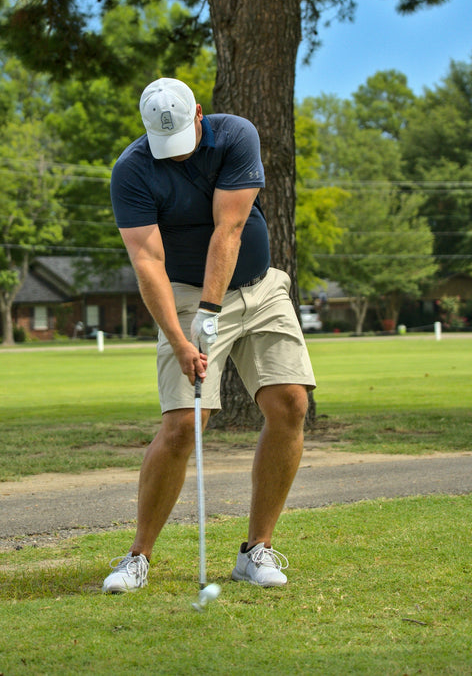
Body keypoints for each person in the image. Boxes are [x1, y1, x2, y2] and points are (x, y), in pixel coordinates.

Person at [103, 77, 316, 593]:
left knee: (290, 404)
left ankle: (256, 550)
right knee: (183, 423)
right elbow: (148, 260)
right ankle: (137, 557)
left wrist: (212, 312)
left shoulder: (237, 135)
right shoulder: (131, 171)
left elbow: (230, 229)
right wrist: (181, 337)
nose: (174, 158)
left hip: (259, 288)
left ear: (199, 114)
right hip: (180, 291)